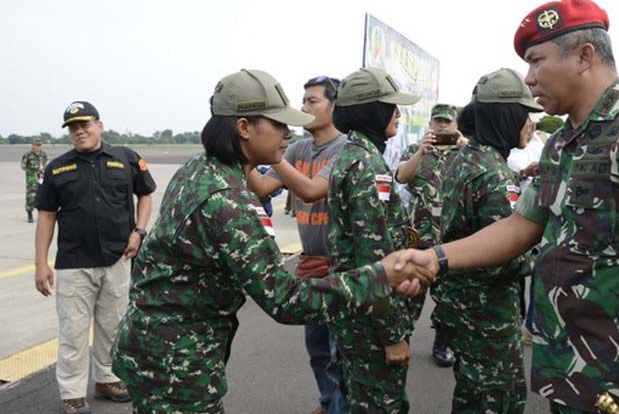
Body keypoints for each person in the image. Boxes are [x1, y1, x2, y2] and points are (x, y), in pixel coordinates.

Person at [399, 0, 619, 413]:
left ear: (584, 56)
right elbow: (521, 225)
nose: (529, 79)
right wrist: (435, 258)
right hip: (572, 369)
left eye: (536, 61)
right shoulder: (564, 142)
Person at [110, 69, 430, 414]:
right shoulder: (225, 201)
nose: (287, 133)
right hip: (176, 363)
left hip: (159, 349)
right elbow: (285, 299)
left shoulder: (200, 168)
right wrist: (379, 277)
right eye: (278, 124)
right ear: (244, 128)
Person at [33, 101, 156, 414]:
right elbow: (46, 216)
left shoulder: (126, 159)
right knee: (73, 332)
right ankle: (72, 394)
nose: (79, 131)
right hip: (75, 263)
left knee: (113, 326)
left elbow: (145, 194)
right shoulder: (57, 169)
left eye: (85, 125)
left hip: (118, 258)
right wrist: (41, 263)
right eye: (73, 128)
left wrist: (139, 232)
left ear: (100, 125)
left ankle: (108, 378)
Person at [435, 67, 542, 413]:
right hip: (487, 313)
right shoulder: (494, 174)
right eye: (525, 114)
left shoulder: (467, 159)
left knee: (472, 395)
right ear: (506, 116)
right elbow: (505, 256)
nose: (531, 123)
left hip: (464, 306)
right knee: (498, 399)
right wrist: (543, 252)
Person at [246, 75, 347, 414]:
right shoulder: (298, 149)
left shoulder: (345, 149)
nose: (303, 108)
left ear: (335, 106)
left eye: (312, 101)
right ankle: (327, 401)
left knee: (339, 352)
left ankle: (338, 405)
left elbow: (311, 190)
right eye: (302, 101)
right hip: (310, 264)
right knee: (317, 347)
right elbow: (261, 187)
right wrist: (244, 151)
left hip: (340, 269)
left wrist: (273, 155)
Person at [327, 67, 423, 413]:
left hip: (357, 310)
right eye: (389, 106)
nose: (397, 113)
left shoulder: (354, 156)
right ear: (370, 111)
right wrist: (393, 333)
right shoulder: (367, 165)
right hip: (369, 320)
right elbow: (376, 260)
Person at [395, 103, 466, 368]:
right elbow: (401, 177)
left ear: (455, 125)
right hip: (420, 239)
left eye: (447, 122)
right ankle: (402, 339)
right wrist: (421, 153)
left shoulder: (465, 154)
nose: (443, 126)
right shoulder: (416, 149)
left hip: (452, 240)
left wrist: (465, 147)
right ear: (430, 124)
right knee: (410, 292)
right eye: (438, 122)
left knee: (447, 296)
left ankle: (443, 342)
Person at [21, 136, 47, 223]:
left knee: (42, 195)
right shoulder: (28, 155)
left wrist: (42, 171)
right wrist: (32, 170)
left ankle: (41, 214)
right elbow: (23, 166)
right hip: (31, 178)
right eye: (36, 145)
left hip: (41, 177)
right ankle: (29, 213)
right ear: (33, 145)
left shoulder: (43, 154)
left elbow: (44, 164)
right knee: (31, 196)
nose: (38, 146)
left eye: (39, 145)